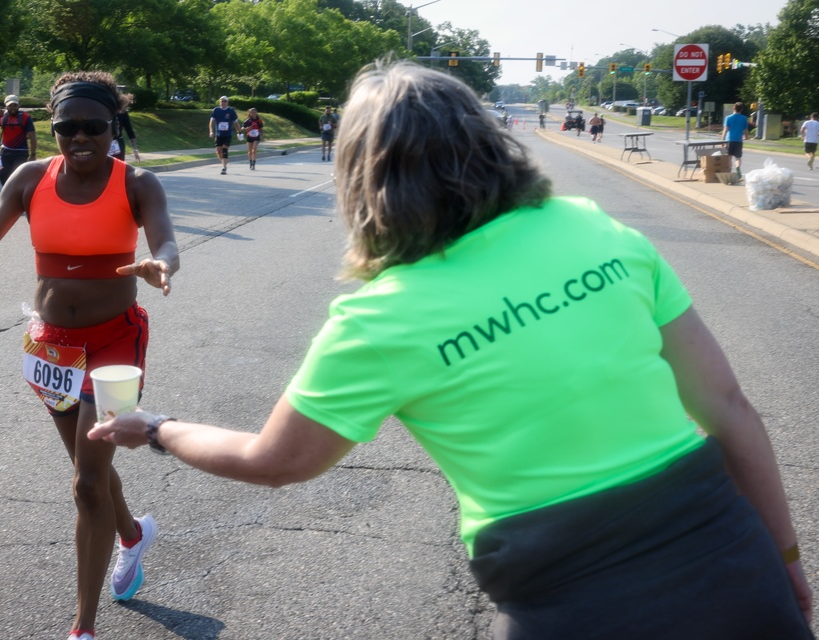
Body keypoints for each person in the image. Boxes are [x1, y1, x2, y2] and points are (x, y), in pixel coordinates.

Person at [89, 60, 813, 638]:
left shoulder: (378, 319)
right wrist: (785, 560)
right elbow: (725, 405)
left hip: (564, 591)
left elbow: (275, 463)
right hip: (726, 552)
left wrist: (157, 429)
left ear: (362, 178)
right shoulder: (592, 228)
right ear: (487, 140)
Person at [0, 70, 179, 640]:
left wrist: (162, 264)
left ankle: (83, 628)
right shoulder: (31, 178)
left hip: (115, 344)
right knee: (90, 470)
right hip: (52, 347)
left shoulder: (138, 184)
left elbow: (166, 239)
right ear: (51, 129)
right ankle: (132, 535)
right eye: (66, 127)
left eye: (94, 127)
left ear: (113, 127)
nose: (80, 138)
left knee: (85, 481)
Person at [0, 94, 37, 185]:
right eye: (10, 106)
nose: (13, 108)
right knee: (2, 173)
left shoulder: (25, 117)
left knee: (17, 176)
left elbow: (32, 137)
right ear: (6, 106)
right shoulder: (2, 117)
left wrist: (33, 154)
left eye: (15, 105)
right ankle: (7, 194)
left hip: (21, 152)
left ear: (18, 106)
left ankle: (16, 196)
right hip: (5, 152)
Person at [209, 96, 241, 175]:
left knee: (224, 148)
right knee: (218, 151)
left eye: (225, 101)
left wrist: (239, 132)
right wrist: (211, 131)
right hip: (219, 134)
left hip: (228, 134)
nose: (223, 102)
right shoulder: (216, 110)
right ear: (219, 102)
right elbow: (211, 122)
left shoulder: (231, 111)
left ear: (227, 102)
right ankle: (224, 162)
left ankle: (224, 167)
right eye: (222, 101)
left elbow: (236, 122)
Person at [721, 102, 751, 179]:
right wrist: (746, 137)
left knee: (729, 157)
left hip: (729, 140)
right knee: (738, 157)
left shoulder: (728, 118)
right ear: (742, 109)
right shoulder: (744, 118)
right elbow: (745, 130)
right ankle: (738, 168)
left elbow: (725, 129)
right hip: (738, 140)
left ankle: (729, 171)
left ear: (733, 108)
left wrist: (722, 140)